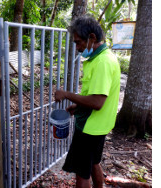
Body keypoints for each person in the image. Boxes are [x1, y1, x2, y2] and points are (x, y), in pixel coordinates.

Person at [53, 16, 122, 188]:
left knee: (82, 174)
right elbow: (96, 95)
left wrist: (67, 94)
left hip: (90, 128)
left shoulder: (102, 62)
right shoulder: (105, 57)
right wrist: (79, 105)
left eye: (78, 42)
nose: (77, 48)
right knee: (93, 163)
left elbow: (98, 102)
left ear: (91, 38)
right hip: (99, 124)